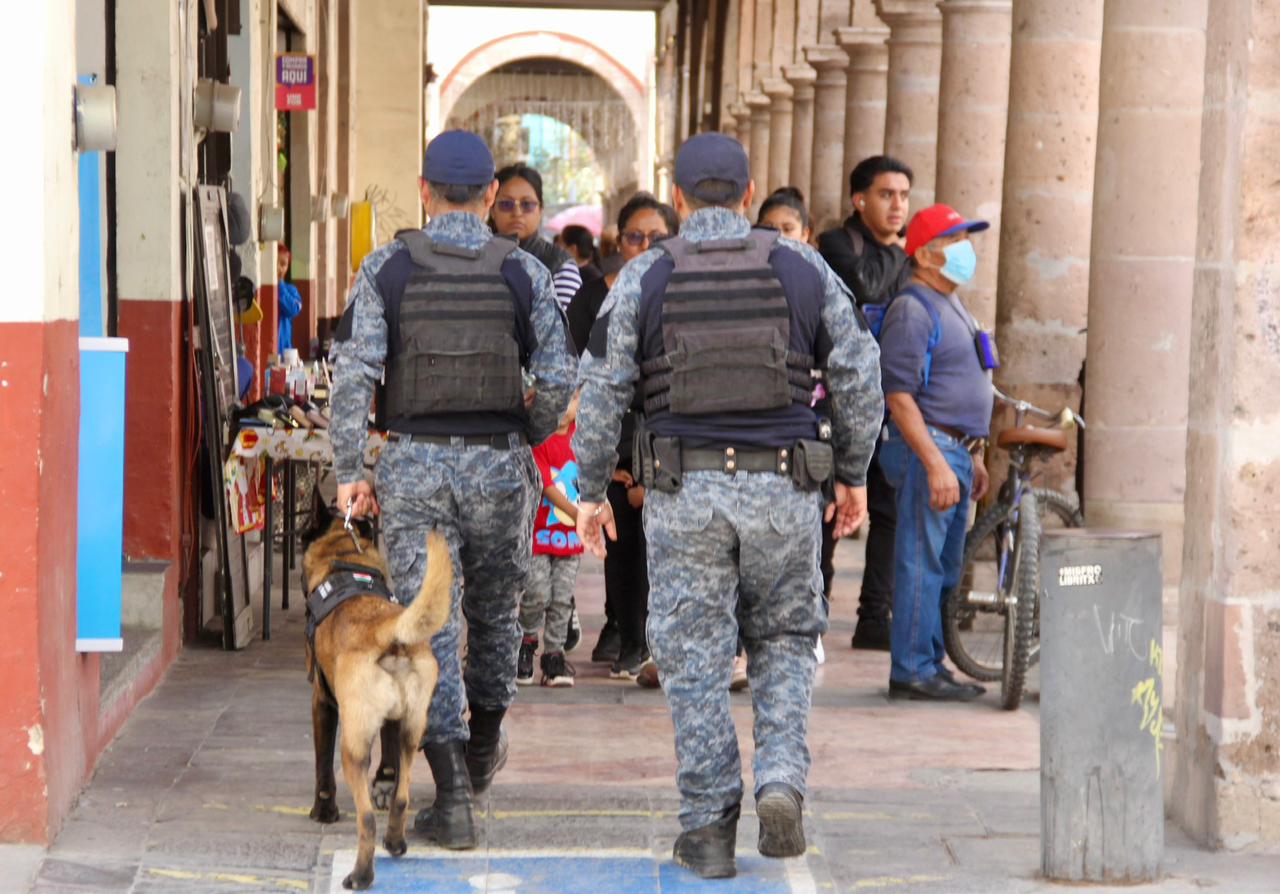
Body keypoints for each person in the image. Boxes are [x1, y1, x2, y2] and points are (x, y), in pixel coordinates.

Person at [574, 133, 883, 880]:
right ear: (749, 195)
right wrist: (851, 473)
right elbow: (858, 373)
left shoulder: (647, 272)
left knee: (694, 659)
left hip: (684, 496)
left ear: (678, 199)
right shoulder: (801, 265)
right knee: (785, 639)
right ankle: (780, 778)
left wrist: (590, 489)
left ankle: (709, 826)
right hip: (785, 489)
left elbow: (604, 388)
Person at [328, 130, 575, 848]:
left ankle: (453, 794)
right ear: (491, 194)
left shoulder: (386, 268)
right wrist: (525, 429)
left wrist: (351, 470)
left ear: (424, 190)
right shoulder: (522, 270)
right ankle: (482, 749)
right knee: (496, 619)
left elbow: (353, 376)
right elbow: (560, 376)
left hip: (416, 469)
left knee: (425, 625)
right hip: (500, 466)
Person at [878, 204, 993, 702]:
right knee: (920, 562)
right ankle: (911, 669)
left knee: (942, 566)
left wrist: (974, 454)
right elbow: (899, 396)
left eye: (966, 239)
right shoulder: (912, 309)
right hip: (931, 450)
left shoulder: (950, 303)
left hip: (955, 451)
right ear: (924, 255)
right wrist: (936, 461)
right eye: (953, 241)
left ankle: (929, 661)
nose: (965, 250)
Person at [565, 192, 680, 677]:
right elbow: (582, 376)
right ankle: (630, 638)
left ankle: (657, 640)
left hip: (669, 439)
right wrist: (603, 460)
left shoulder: (685, 293)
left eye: (657, 237)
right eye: (636, 237)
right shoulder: (594, 298)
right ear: (619, 241)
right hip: (615, 437)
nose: (646, 246)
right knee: (623, 545)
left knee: (661, 548)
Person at [817, 155, 914, 651]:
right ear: (859, 199)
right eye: (886, 194)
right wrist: (902, 252)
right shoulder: (838, 243)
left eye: (904, 195)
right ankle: (815, 609)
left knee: (888, 510)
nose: (898, 205)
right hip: (840, 400)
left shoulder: (905, 252)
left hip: (891, 399)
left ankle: (875, 616)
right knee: (832, 508)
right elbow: (867, 286)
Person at [517, 391, 584, 688]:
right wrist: (578, 513)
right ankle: (526, 641)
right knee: (537, 593)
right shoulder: (539, 439)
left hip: (570, 540)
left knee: (562, 598)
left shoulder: (582, 439)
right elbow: (546, 485)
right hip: (538, 536)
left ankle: (554, 656)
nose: (564, 408)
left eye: (571, 399)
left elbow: (594, 476)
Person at [491, 163, 582, 310]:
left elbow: (568, 322)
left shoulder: (560, 266)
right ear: (492, 210)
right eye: (506, 204)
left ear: (540, 211)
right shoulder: (475, 258)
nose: (517, 213)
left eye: (527, 204)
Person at [277, 244, 302, 352]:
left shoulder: (290, 290)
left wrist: (280, 285)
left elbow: (293, 309)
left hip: (283, 350)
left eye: (283, 264)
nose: (280, 268)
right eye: (277, 263)